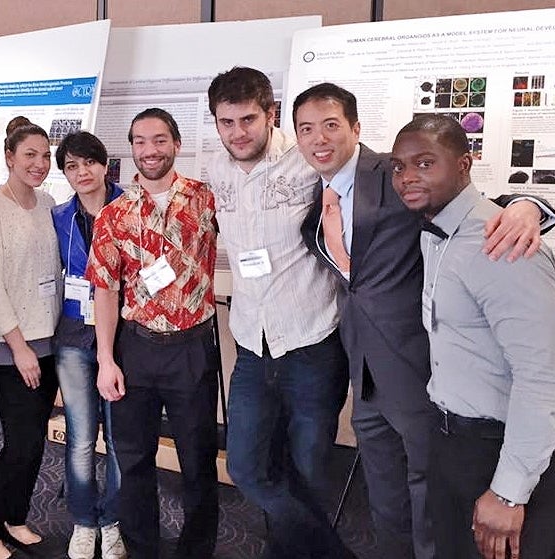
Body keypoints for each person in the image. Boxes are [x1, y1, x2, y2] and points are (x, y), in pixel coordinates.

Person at [295, 83, 548, 559]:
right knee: (385, 498)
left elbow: (471, 203)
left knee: (430, 503)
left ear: (355, 127)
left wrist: (528, 204)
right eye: (305, 129)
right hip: (364, 375)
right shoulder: (313, 188)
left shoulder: (392, 174)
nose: (318, 139)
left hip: (420, 374)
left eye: (330, 125)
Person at [390, 114, 555, 559]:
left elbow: (542, 378)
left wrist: (508, 492)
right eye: (399, 166)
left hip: (500, 447)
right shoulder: (436, 229)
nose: (407, 177)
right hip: (451, 439)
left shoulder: (503, 245)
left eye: (425, 163)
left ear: (464, 164)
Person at [205, 67, 353, 558]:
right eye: (226, 122)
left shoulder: (309, 160)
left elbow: (376, 178)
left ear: (270, 113)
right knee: (247, 466)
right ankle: (329, 551)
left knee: (308, 470)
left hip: (311, 341)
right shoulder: (216, 170)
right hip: (252, 343)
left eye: (248, 119)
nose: (238, 132)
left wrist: (524, 205)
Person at [87, 108, 219, 559]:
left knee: (198, 461)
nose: (150, 150)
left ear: (176, 144)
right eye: (140, 141)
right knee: (134, 459)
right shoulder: (114, 215)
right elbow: (104, 290)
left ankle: (196, 550)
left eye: (159, 140)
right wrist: (106, 359)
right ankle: (142, 549)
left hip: (192, 347)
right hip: (136, 347)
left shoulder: (206, 199)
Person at [0, 116, 61, 559]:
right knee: (20, 442)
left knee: (33, 441)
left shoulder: (47, 203)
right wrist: (19, 346)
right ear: (9, 157)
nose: (40, 163)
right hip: (8, 348)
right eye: (30, 155)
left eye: (45, 156)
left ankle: (15, 517)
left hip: (49, 342)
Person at [51, 131, 126, 559]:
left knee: (120, 437)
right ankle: (84, 521)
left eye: (89, 163)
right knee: (81, 436)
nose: (82, 173)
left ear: (105, 165)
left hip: (122, 338)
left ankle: (111, 520)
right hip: (75, 337)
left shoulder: (130, 209)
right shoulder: (60, 217)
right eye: (72, 166)